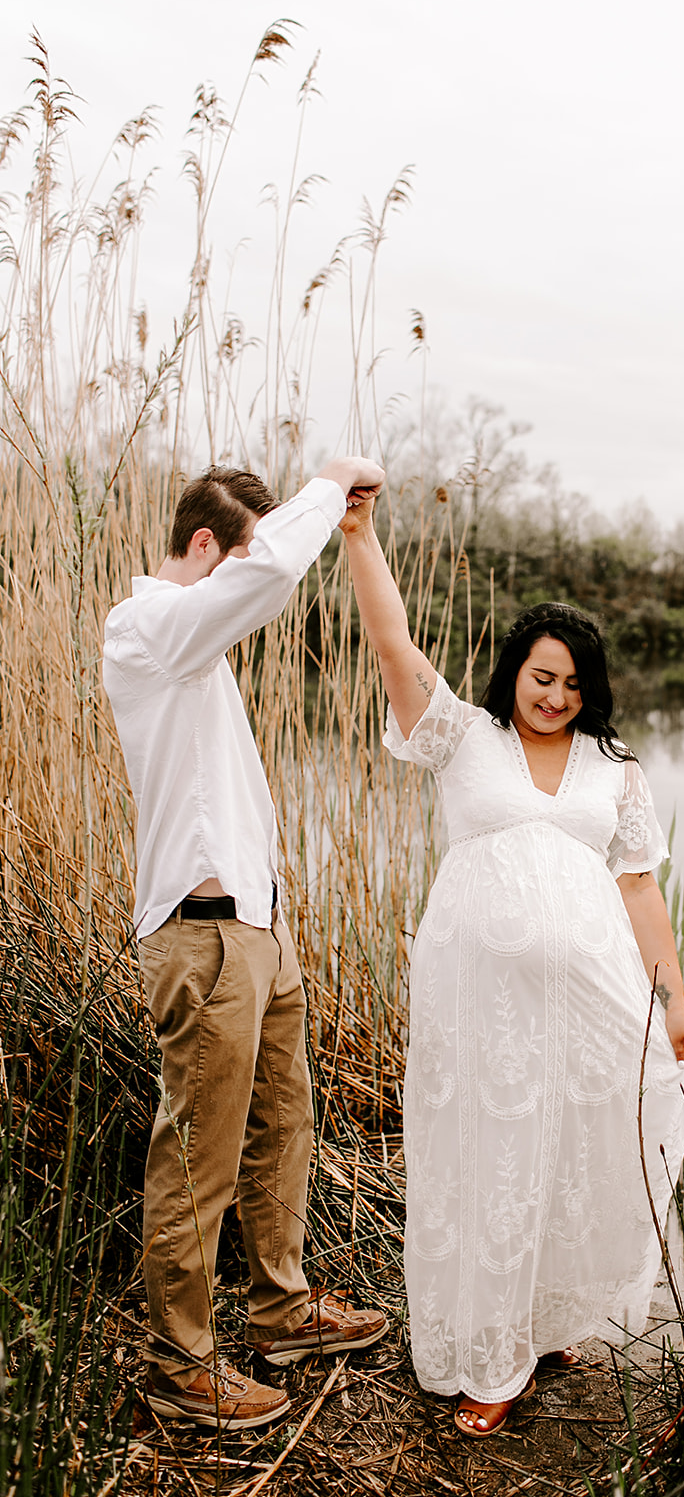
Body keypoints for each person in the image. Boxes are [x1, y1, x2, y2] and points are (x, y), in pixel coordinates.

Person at [339, 487, 684, 1438]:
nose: (556, 696)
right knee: (489, 1155)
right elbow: (392, 642)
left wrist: (672, 1003)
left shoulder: (615, 770)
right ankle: (491, 1356)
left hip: (591, 1002)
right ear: (515, 673)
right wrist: (359, 535)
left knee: (577, 1149)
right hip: (479, 1000)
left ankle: (546, 1322)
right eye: (543, 677)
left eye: (575, 685)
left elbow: (638, 891)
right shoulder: (464, 737)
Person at [103, 457, 389, 1429]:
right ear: (202, 549)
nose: (259, 575)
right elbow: (264, 578)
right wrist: (325, 486)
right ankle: (180, 1368)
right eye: (245, 550)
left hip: (256, 937)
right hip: (201, 940)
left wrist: (275, 916)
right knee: (195, 1159)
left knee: (283, 1130)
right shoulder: (145, 629)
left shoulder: (197, 651)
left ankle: (281, 1309)